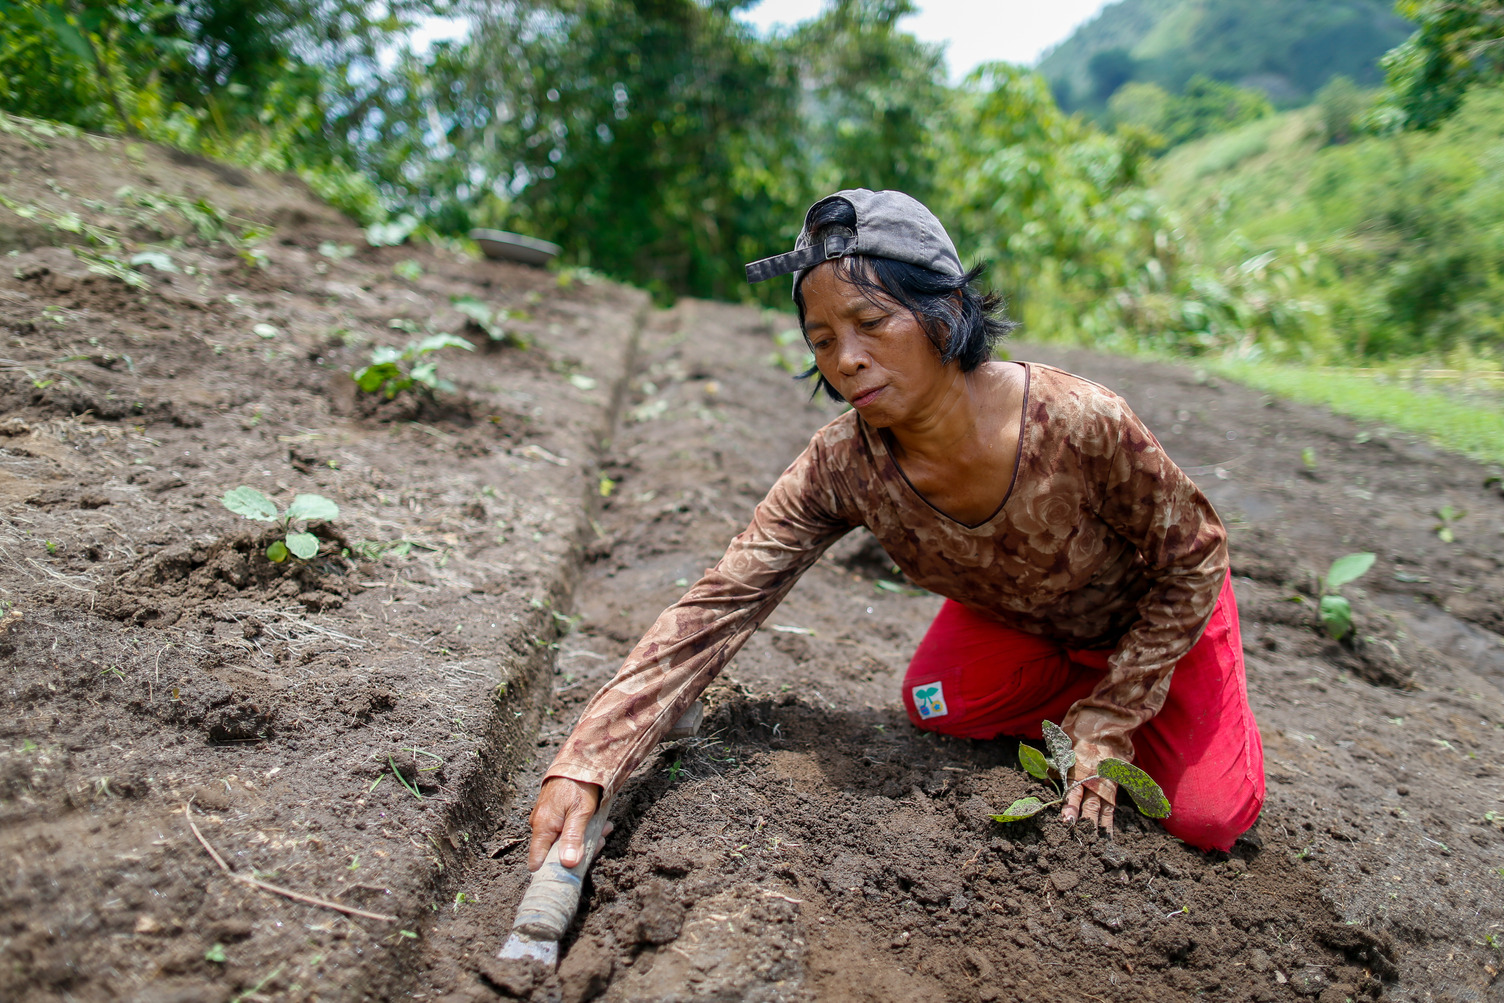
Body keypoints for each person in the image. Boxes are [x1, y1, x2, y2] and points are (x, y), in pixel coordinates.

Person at [526, 189, 1265, 873]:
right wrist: (591, 755)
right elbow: (724, 598)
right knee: (937, 701)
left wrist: (1112, 715)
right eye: (822, 340)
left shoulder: (1078, 422)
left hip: (1161, 608)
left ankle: (1130, 694)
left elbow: (1196, 554)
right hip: (1028, 616)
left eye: (872, 323)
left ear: (945, 310)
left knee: (1207, 815)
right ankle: (1083, 690)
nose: (847, 358)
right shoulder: (844, 464)